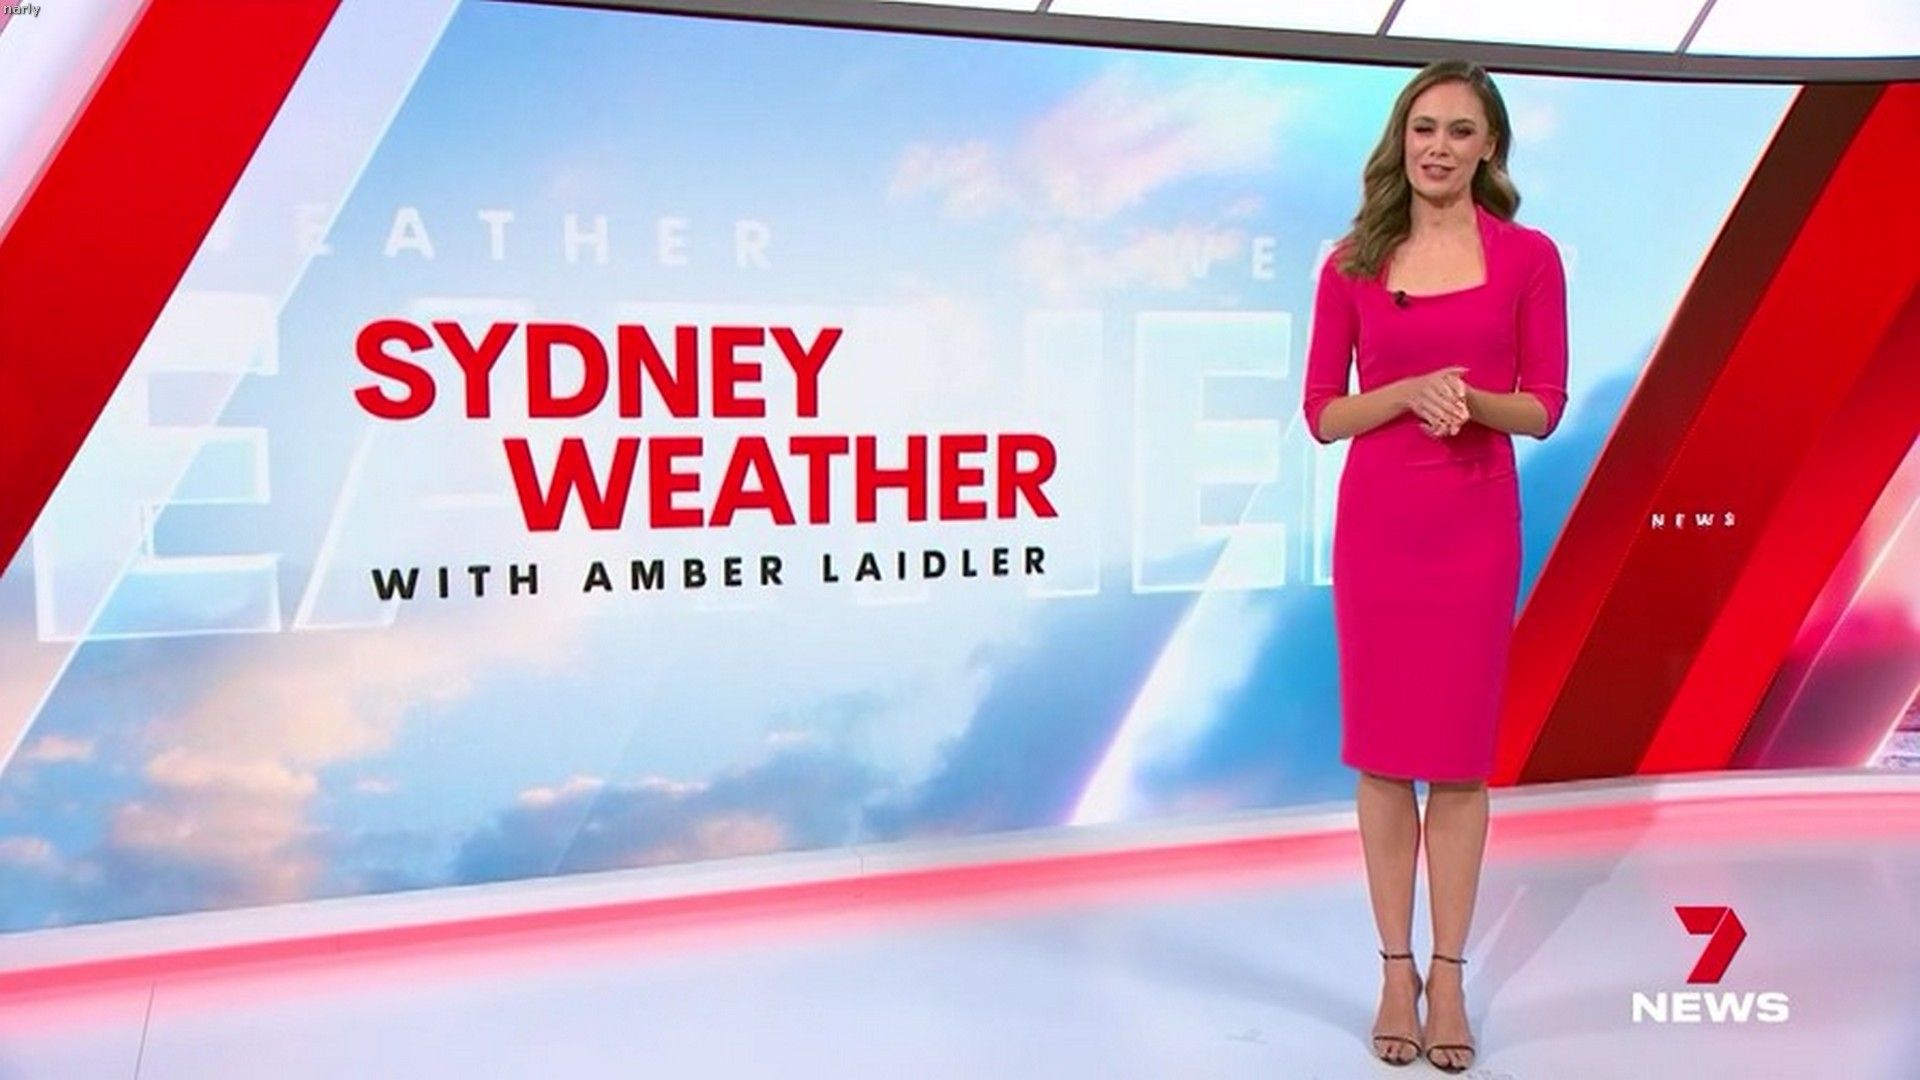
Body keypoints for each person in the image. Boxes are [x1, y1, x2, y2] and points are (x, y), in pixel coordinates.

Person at [1299, 58, 1569, 1072]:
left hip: (1474, 525)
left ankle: (1448, 977)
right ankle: (1394, 970)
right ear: (1400, 141)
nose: (1438, 147)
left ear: (1489, 146)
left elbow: (1542, 405)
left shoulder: (1529, 258)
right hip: (1381, 527)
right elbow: (1324, 414)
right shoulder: (1353, 262)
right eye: (1424, 128)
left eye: (1459, 130)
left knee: (1457, 759)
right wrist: (1410, 391)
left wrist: (1471, 402)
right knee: (1382, 757)